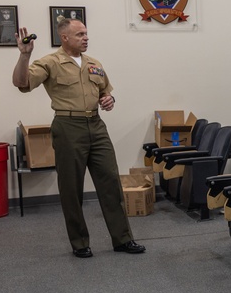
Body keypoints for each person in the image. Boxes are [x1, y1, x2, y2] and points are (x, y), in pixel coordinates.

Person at [12, 20, 145, 258]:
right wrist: (24, 56)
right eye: (79, 34)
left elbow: (106, 92)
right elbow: (22, 83)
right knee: (71, 188)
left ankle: (123, 239)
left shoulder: (94, 63)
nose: (85, 38)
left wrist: (109, 101)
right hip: (68, 126)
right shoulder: (50, 63)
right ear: (64, 37)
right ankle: (80, 242)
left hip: (96, 125)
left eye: (86, 33)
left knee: (110, 183)